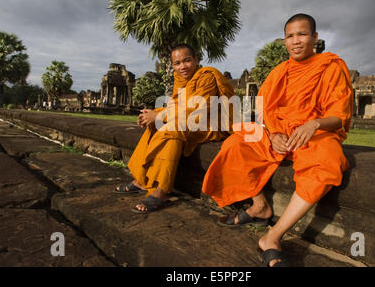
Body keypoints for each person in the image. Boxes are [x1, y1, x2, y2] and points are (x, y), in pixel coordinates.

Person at [201, 14, 353, 267]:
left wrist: (314, 124)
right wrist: (272, 135)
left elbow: (339, 114)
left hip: (313, 133)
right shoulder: (279, 71)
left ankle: (273, 236)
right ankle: (259, 206)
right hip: (278, 132)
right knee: (236, 143)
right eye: (290, 36)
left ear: (314, 37)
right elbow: (265, 111)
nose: (296, 41)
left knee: (328, 160)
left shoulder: (330, 66)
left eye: (302, 34)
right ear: (284, 41)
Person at [114, 44, 234, 213]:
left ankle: (162, 190)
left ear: (196, 60)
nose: (182, 66)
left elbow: (198, 108)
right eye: (177, 63)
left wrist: (160, 116)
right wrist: (154, 113)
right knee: (155, 126)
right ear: (172, 66)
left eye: (187, 61)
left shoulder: (206, 76)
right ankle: (141, 180)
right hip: (190, 120)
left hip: (210, 123)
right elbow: (177, 106)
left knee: (172, 129)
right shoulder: (180, 80)